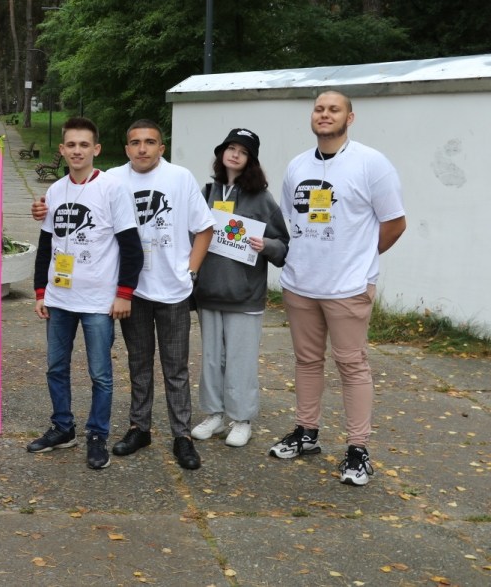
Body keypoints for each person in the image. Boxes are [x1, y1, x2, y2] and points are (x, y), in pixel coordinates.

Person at [32, 119, 214, 470]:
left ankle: (181, 436)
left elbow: (201, 229)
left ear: (162, 147)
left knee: (174, 368)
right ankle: (138, 428)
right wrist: (41, 210)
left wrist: (190, 273)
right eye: (135, 142)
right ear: (126, 148)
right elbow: (53, 228)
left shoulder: (178, 178)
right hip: (124, 293)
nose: (142, 148)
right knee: (137, 365)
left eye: (150, 142)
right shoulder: (111, 178)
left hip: (166, 290)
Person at [269, 91, 405, 487]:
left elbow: (395, 223)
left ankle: (358, 449)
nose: (325, 114)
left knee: (352, 365)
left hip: (348, 287)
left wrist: (360, 258)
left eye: (334, 109)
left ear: (350, 117)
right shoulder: (297, 165)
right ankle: (306, 432)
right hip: (300, 283)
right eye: (319, 109)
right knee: (307, 361)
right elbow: (293, 220)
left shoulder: (371, 163)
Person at [27, 116, 142, 470]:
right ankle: (63, 428)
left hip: (97, 302)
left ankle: (97, 435)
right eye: (71, 145)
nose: (77, 151)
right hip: (59, 299)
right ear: (62, 150)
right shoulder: (55, 191)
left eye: (84, 145)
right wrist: (40, 291)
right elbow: (46, 245)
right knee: (56, 368)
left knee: (100, 374)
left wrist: (124, 293)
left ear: (96, 149)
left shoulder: (112, 189)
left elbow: (132, 248)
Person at [190, 128, 289, 448]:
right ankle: (215, 415)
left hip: (244, 296)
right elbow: (192, 234)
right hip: (209, 293)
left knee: (240, 361)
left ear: (251, 160)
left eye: (243, 151)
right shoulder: (207, 193)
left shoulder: (262, 199)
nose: (235, 154)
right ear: (221, 153)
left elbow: (283, 245)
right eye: (230, 148)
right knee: (211, 360)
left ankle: (242, 419)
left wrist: (267, 245)